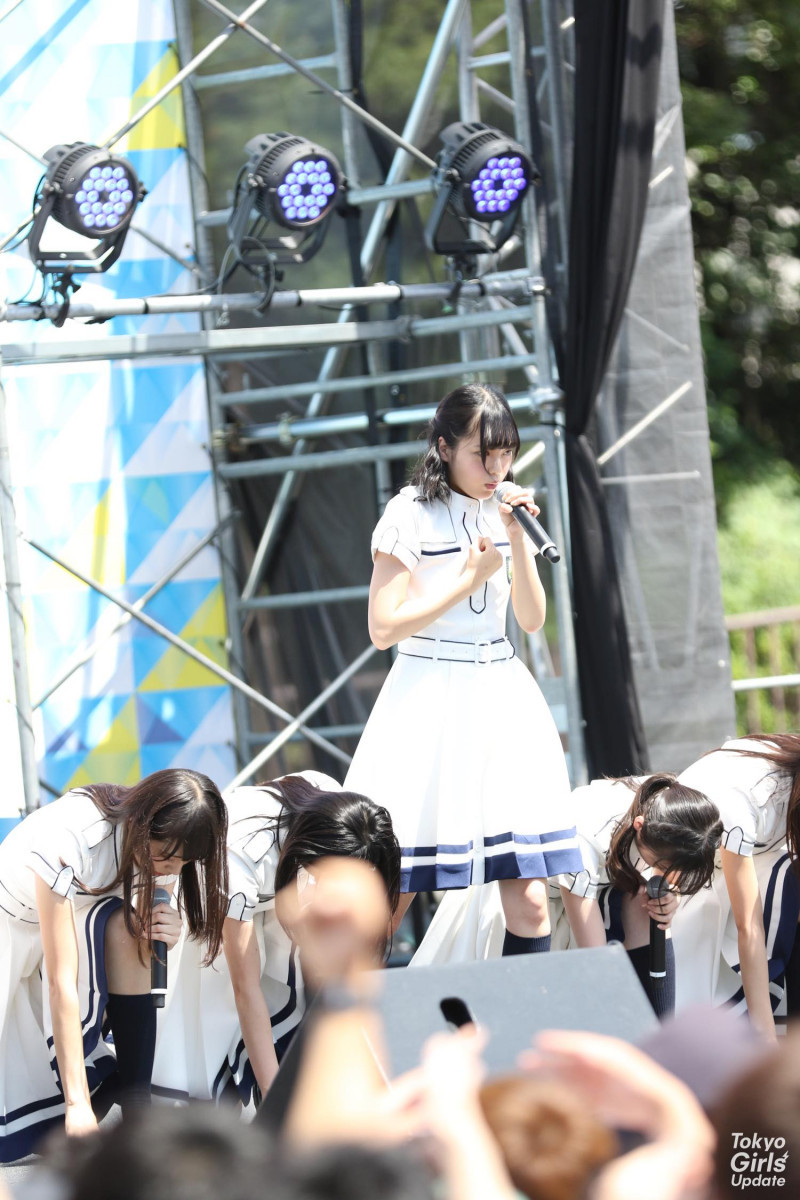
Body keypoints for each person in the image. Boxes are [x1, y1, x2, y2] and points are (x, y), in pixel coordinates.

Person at [344, 383, 582, 958]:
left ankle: (524, 1016)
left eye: (506, 453)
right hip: (428, 695)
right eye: (483, 454)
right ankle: (352, 1009)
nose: (497, 468)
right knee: (392, 890)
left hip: (500, 693)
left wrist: (517, 539)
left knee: (529, 897)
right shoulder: (409, 512)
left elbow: (531, 620)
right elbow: (383, 628)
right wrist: (467, 581)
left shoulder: (506, 511)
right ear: (445, 447)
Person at [0, 769, 228, 1163]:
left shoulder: (161, 847)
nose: (173, 870)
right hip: (12, 929)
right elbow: (61, 981)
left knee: (132, 930)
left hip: (72, 926)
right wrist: (76, 1106)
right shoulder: (72, 838)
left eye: (185, 861)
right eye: (166, 856)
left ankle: (139, 1109)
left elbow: (143, 925)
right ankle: (85, 1091)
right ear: (143, 824)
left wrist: (168, 926)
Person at [151, 771, 400, 1106]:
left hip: (279, 891)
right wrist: (274, 1096)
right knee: (216, 1012)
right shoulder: (239, 861)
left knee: (299, 991)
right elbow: (245, 988)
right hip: (213, 902)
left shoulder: (336, 807)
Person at [556, 773, 723, 1017]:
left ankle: (662, 1031)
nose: (672, 875)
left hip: (609, 880)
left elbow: (667, 872)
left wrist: (670, 896)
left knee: (648, 901)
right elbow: (597, 958)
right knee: (604, 976)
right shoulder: (586, 839)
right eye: (663, 865)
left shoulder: (668, 807)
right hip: (556, 894)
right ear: (639, 826)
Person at [670, 733, 800, 1041]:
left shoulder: (789, 764)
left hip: (741, 858)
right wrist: (765, 1039)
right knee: (788, 878)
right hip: (692, 877)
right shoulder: (745, 804)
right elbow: (748, 928)